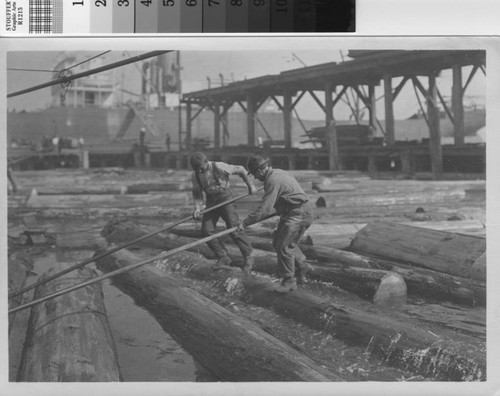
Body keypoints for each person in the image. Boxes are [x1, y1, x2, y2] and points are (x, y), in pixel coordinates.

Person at [238, 155, 314, 293]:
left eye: (254, 173)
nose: (255, 177)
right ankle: (302, 265)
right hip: (293, 211)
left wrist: (245, 222)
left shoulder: (272, 181)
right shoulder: (278, 173)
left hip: (300, 212)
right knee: (278, 240)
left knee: (283, 246)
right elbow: (277, 203)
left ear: (260, 170)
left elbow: (265, 208)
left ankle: (289, 280)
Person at [190, 152, 257, 271]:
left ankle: (248, 256)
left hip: (225, 198)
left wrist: (250, 185)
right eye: (197, 169)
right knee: (206, 230)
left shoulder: (219, 166)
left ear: (206, 162)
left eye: (201, 168)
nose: (200, 171)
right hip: (211, 201)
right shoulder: (195, 175)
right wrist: (197, 208)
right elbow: (197, 194)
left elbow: (241, 169)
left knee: (234, 228)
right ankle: (223, 257)